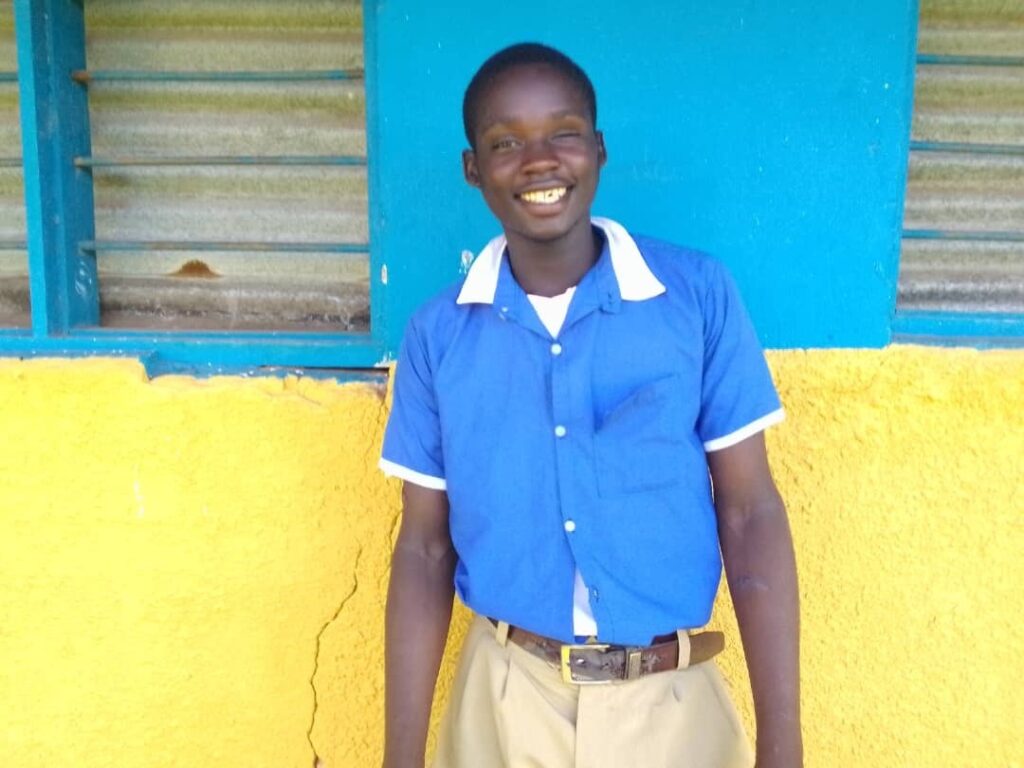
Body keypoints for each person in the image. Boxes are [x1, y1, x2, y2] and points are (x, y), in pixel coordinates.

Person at [379, 42, 802, 768]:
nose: (538, 161)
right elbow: (423, 549)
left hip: (671, 709)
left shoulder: (694, 298)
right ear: (472, 168)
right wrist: (400, 758)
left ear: (599, 149)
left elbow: (749, 512)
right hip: (504, 706)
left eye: (563, 133)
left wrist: (783, 743)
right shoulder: (439, 335)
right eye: (505, 142)